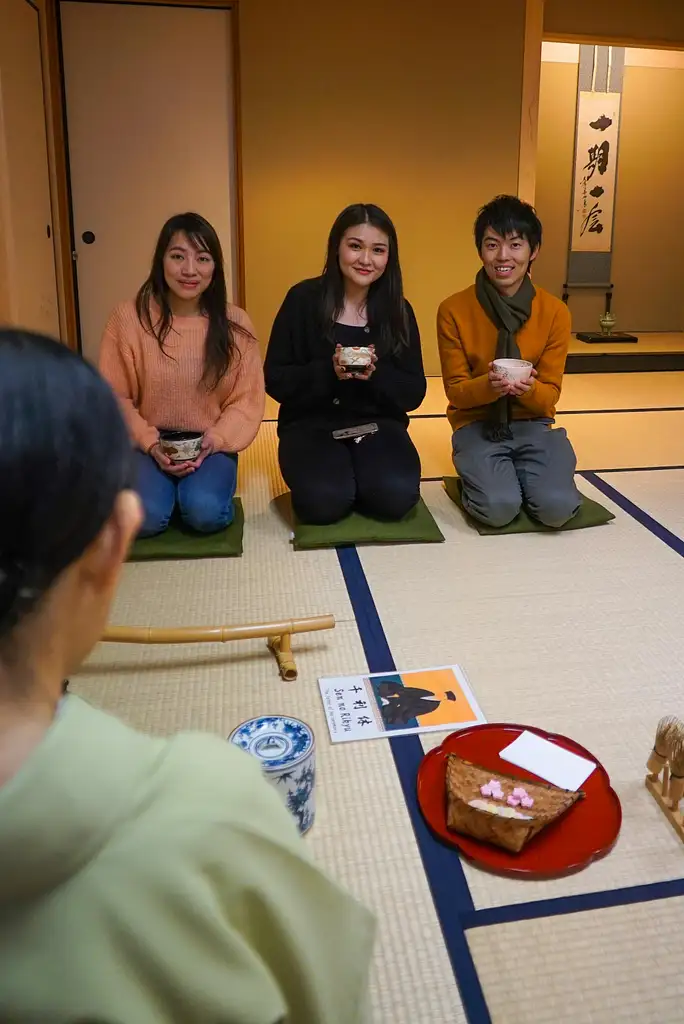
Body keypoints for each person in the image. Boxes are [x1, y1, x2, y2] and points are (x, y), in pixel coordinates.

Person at [0, 327, 374, 1022]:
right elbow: (327, 994)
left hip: (221, 452)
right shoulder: (208, 797)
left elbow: (249, 402)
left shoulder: (233, 326)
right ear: (114, 540)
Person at [100, 212, 264, 537]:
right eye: (178, 257)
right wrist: (149, 443)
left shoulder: (235, 324)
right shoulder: (128, 318)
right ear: (161, 261)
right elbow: (113, 395)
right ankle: (160, 492)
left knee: (205, 515)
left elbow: (246, 400)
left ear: (215, 268)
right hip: (149, 440)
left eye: (202, 259)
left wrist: (215, 440)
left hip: (209, 441)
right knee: (144, 520)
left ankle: (195, 493)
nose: (190, 270)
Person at [264, 203, 426, 525]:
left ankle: (365, 477)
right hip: (311, 426)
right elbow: (275, 378)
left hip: (378, 425)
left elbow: (414, 391)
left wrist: (376, 375)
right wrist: (328, 372)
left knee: (395, 497)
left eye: (378, 250)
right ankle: (342, 479)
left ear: (389, 257)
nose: (366, 260)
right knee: (323, 503)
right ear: (336, 247)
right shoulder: (302, 299)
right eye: (355, 246)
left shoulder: (398, 310)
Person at [437, 195, 581, 529]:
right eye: (492, 245)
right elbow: (457, 393)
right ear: (480, 250)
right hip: (477, 423)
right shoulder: (453, 310)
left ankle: (526, 475)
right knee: (499, 509)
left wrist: (527, 389)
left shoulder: (555, 312)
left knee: (556, 509)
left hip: (534, 424)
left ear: (534, 251)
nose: (503, 257)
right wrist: (489, 386)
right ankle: (490, 477)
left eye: (515, 245)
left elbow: (549, 396)